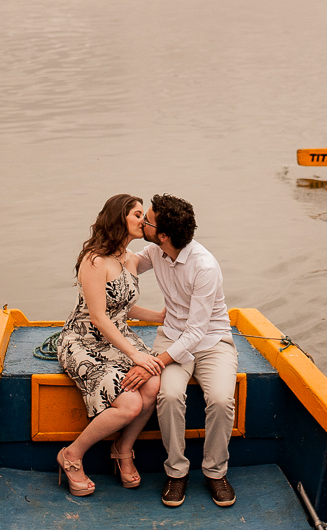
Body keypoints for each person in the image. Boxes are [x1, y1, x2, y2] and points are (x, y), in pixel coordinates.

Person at [121, 193, 238, 509]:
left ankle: (215, 472)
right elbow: (127, 264)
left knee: (222, 400)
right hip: (172, 337)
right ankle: (176, 471)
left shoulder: (204, 266)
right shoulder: (156, 251)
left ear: (163, 234)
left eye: (146, 220)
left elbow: (197, 332)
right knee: (170, 396)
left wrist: (152, 363)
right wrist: (104, 251)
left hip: (212, 342)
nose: (142, 223)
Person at [55, 194, 166, 496]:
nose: (144, 220)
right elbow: (99, 317)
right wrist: (135, 355)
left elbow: (122, 307)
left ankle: (123, 449)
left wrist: (158, 316)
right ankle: (71, 455)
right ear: (119, 218)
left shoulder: (131, 259)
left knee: (153, 383)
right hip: (84, 341)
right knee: (130, 404)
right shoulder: (95, 260)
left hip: (118, 337)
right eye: (137, 214)